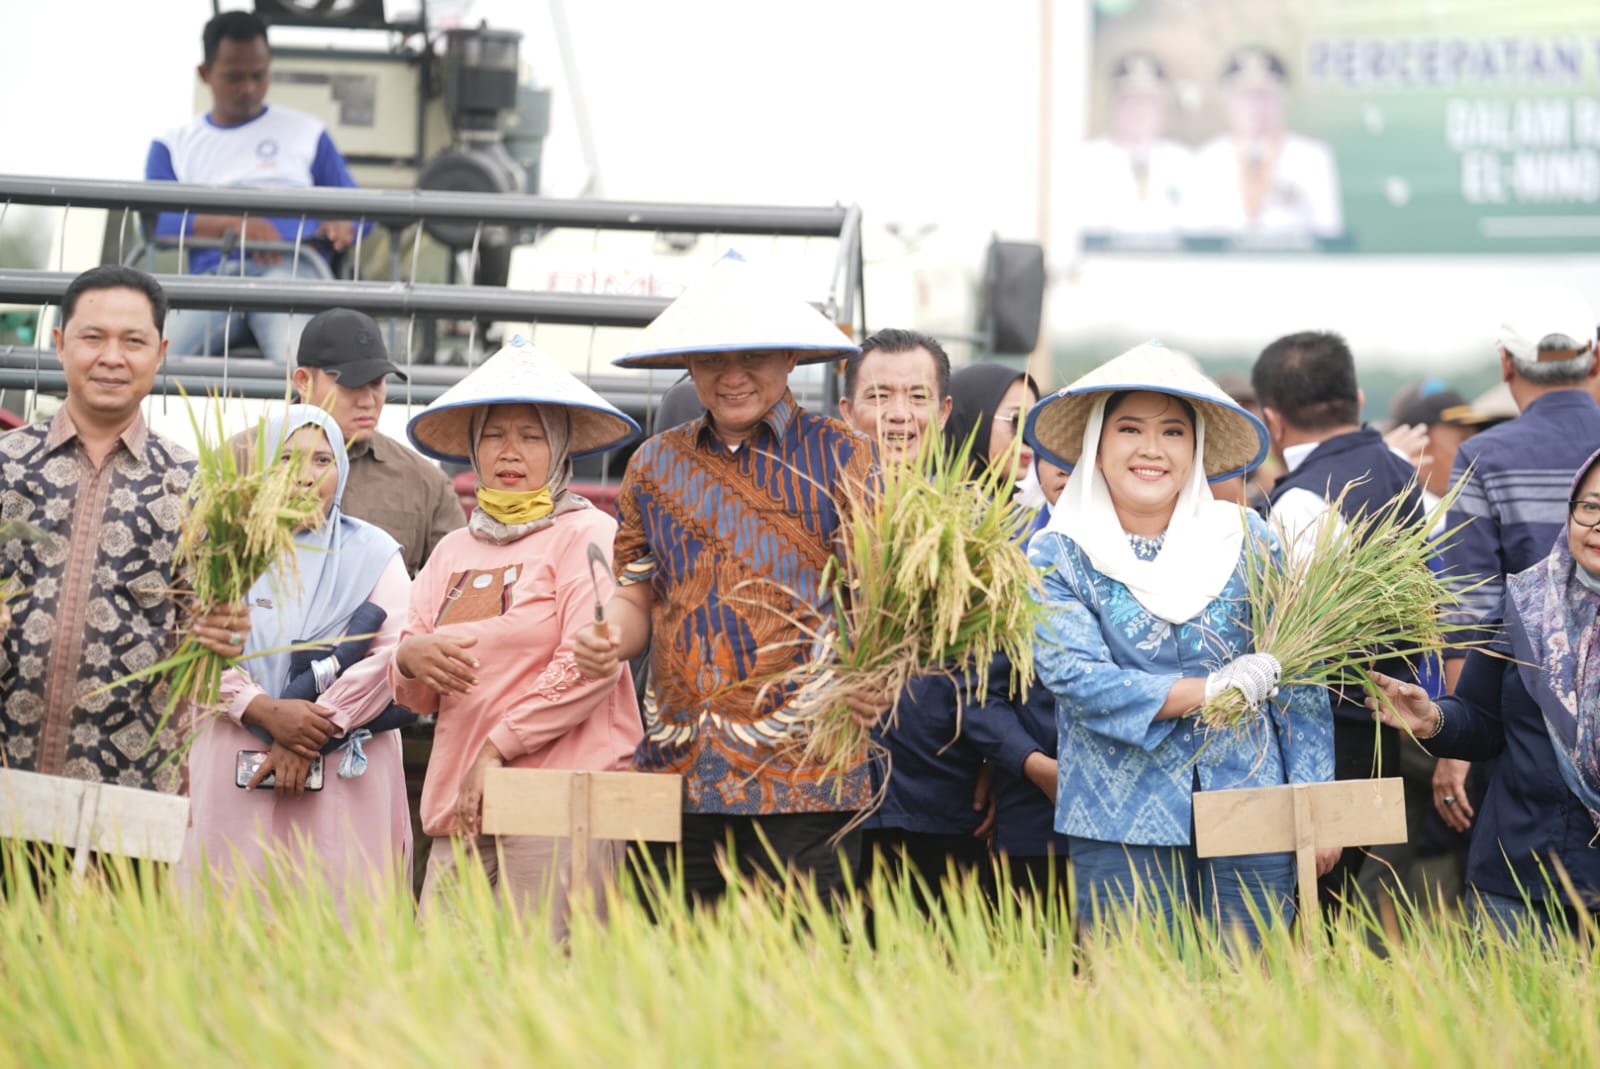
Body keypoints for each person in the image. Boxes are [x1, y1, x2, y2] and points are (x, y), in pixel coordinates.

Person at [571, 255, 885, 906]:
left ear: (792, 355)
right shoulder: (654, 466)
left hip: (809, 771)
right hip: (680, 770)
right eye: (713, 358)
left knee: (802, 976)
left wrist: (877, 674)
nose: (733, 376)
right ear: (689, 363)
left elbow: (881, 603)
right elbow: (636, 596)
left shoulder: (845, 455)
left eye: (755, 356)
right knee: (665, 978)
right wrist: (609, 635)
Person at [1023, 341, 1335, 939]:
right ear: (1096, 443)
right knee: (1138, 1006)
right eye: (1129, 429)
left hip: (1254, 803)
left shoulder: (1248, 538)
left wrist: (1314, 803)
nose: (1151, 450)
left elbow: (1299, 676)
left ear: (1195, 449)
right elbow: (1078, 679)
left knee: (1253, 994)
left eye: (1172, 432)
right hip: (1119, 818)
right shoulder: (1058, 551)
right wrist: (1212, 689)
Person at [392, 337, 642, 937]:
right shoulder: (453, 548)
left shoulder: (589, 533)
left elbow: (590, 662)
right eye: (494, 434)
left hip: (561, 802)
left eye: (531, 436)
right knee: (442, 984)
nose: (511, 451)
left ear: (558, 450)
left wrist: (497, 746)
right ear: (473, 448)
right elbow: (411, 670)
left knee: (548, 991)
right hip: (463, 804)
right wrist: (409, 659)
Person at [1, 265, 245, 795]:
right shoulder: (5, 464)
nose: (112, 356)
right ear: (60, 342)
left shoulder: (196, 488)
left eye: (133, 341)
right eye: (94, 337)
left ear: (159, 353)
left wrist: (223, 633)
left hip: (128, 789)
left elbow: (208, 648)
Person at [180, 405, 411, 908]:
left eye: (321, 460)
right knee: (228, 912)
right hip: (233, 756)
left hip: (346, 773)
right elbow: (190, 648)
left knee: (340, 915)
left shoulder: (374, 553)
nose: (305, 478)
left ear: (342, 469)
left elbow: (394, 656)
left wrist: (309, 728)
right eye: (286, 460)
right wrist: (261, 709)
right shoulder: (223, 548)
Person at [1368, 445, 1600, 938]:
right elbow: (1482, 720)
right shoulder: (1526, 605)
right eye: (1590, 507)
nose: (1597, 523)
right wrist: (1434, 720)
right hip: (1517, 878)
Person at [1252, 331, 1424, 917]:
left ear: (1272, 420)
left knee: (1298, 923)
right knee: (1337, 914)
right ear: (1354, 395)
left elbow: (1288, 648)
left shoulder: (1302, 501)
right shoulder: (1400, 471)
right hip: (1384, 730)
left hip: (1324, 743)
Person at [1434, 292, 1600, 839]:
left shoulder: (1486, 456)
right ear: (1594, 358)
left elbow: (1468, 611)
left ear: (1506, 362)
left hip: (1526, 719)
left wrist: (1458, 745)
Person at [837, 329, 993, 897]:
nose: (897, 415)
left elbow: (1001, 666)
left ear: (945, 410)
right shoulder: (805, 513)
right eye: (878, 397)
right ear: (847, 410)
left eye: (917, 396)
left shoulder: (980, 524)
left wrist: (1003, 762)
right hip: (823, 792)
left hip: (945, 793)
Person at [146, 10, 363, 361]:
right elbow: (158, 221)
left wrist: (346, 222)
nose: (248, 88)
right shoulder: (173, 145)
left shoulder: (307, 133)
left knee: (300, 366)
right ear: (205, 74)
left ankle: (305, 418)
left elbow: (360, 209)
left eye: (258, 75)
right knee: (152, 360)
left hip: (292, 274)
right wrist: (239, 227)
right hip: (214, 281)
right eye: (234, 77)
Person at [291, 309, 464, 578]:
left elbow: (458, 585)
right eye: (351, 385)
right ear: (303, 382)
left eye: (377, 383)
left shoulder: (424, 481)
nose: (368, 400)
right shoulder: (243, 461)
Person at [1187, 48, 1342, 242]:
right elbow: (1193, 238)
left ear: (1282, 100)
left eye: (1264, 95)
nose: (1254, 105)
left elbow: (1329, 231)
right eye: (1244, 96)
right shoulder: (1206, 159)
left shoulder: (1311, 157)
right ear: (1227, 101)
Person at [1080, 54, 1194, 240]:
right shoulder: (1088, 160)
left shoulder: (1184, 162)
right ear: (1113, 105)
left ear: (1162, 107)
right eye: (1129, 100)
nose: (1139, 110)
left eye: (1148, 101)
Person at [946, 363, 1038, 487]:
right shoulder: (924, 502)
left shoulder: (1015, 505)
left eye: (1036, 425)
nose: (1030, 440)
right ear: (974, 421)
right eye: (1017, 421)